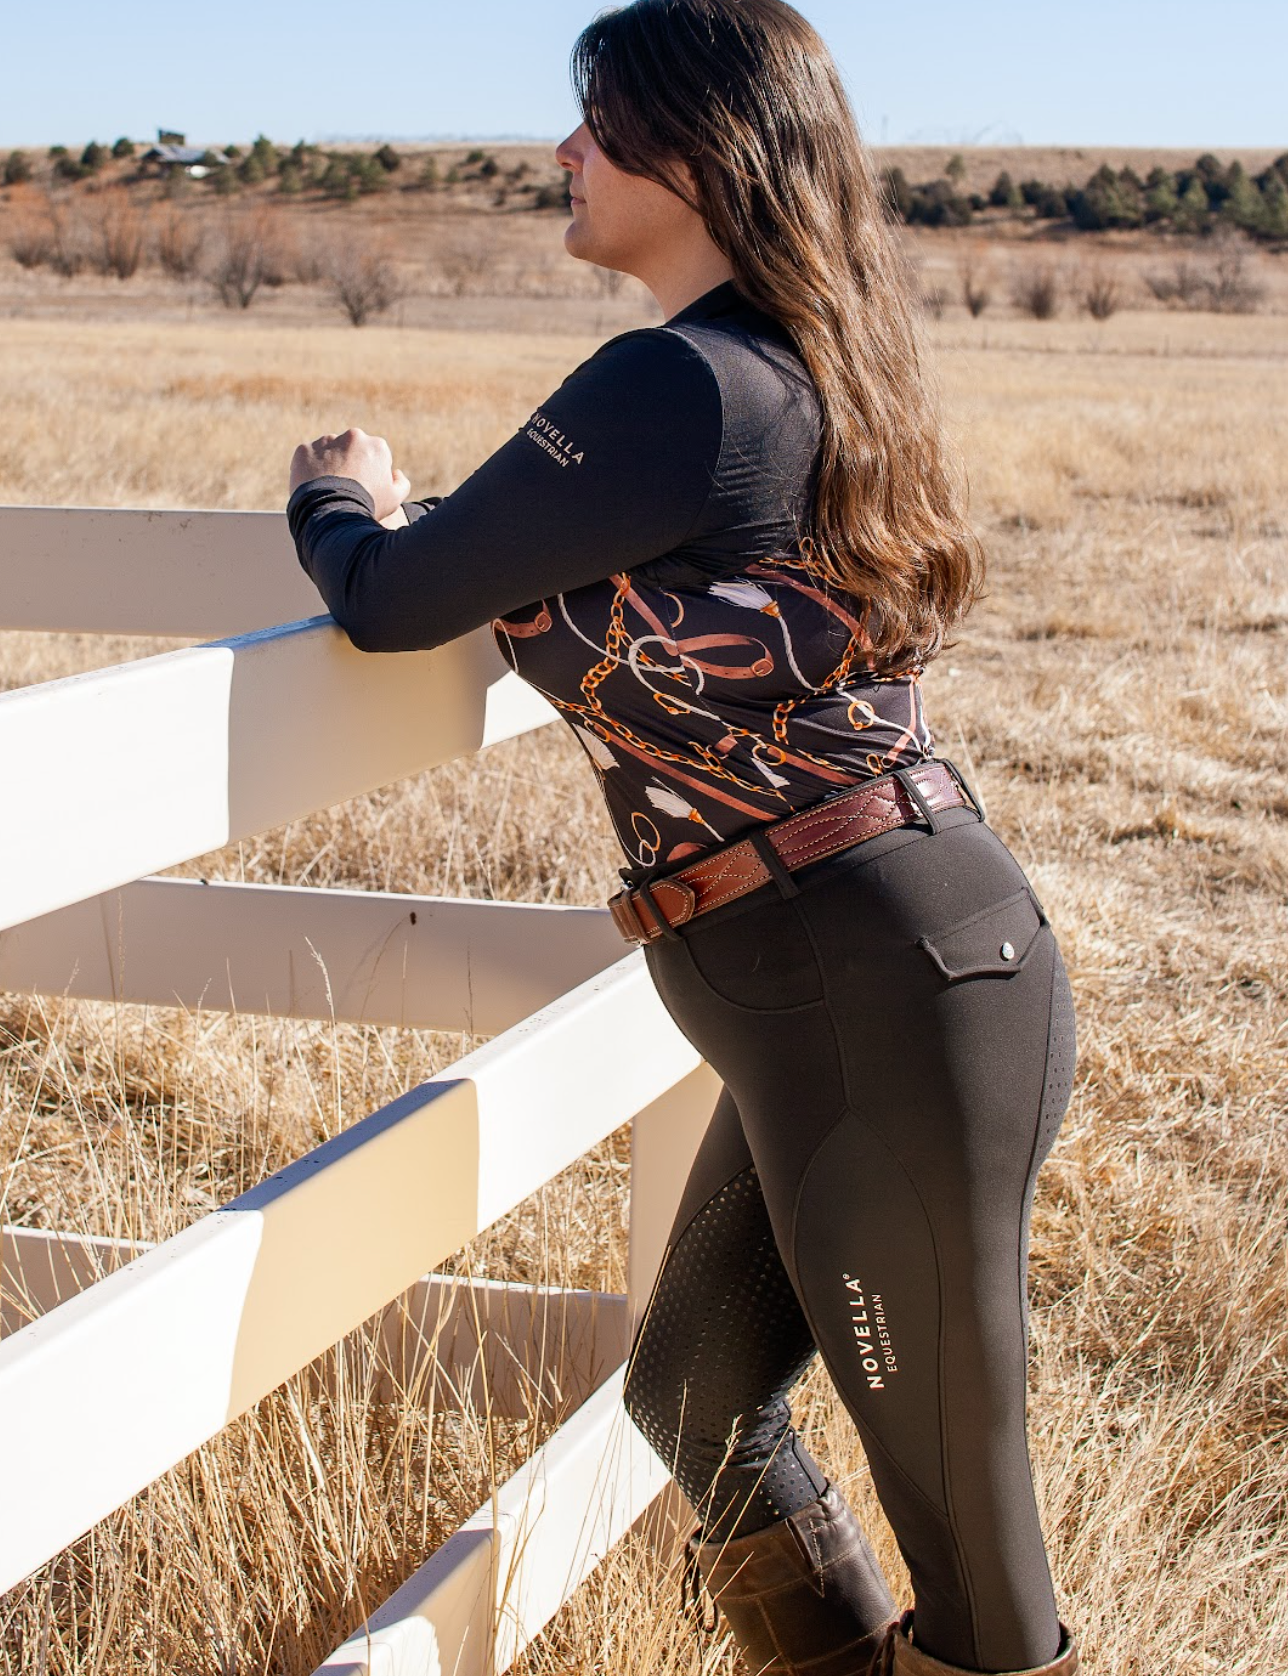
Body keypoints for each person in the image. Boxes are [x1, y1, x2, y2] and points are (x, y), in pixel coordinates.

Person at [284, 4, 1078, 1673]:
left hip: (878, 987)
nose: (562, 151)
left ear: (702, 152)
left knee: (976, 1566)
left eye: (598, 120)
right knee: (697, 1396)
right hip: (848, 979)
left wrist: (336, 493)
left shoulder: (677, 382)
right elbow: (549, 559)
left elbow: (399, 598)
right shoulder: (789, 367)